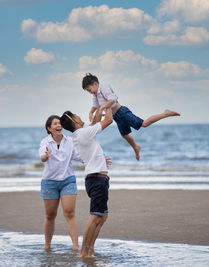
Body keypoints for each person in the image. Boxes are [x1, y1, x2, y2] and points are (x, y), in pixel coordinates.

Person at [82, 73, 180, 161]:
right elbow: (95, 105)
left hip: (122, 112)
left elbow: (112, 101)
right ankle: (136, 147)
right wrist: (91, 113)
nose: (90, 92)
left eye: (89, 90)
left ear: (95, 84)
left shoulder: (103, 87)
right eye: (88, 91)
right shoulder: (95, 94)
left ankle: (165, 113)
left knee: (144, 124)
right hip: (116, 116)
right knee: (125, 135)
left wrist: (102, 107)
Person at [60, 108, 113, 258]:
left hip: (96, 178)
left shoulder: (80, 134)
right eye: (77, 115)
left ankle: (90, 248)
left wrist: (98, 108)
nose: (79, 116)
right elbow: (109, 120)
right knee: (96, 216)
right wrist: (108, 102)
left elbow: (95, 122)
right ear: (74, 120)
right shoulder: (83, 133)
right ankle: (84, 252)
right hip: (97, 179)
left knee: (103, 216)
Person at [39, 115, 82, 251]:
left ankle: (76, 247)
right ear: (49, 128)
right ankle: (47, 246)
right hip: (50, 182)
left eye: (60, 123)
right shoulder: (45, 142)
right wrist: (46, 156)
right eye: (55, 123)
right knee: (50, 215)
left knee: (69, 212)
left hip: (67, 180)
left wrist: (97, 159)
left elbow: (79, 156)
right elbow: (42, 157)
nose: (59, 125)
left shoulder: (69, 141)